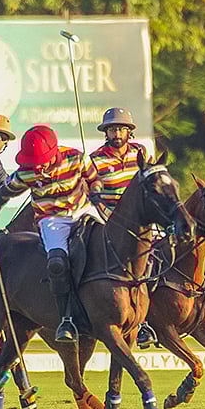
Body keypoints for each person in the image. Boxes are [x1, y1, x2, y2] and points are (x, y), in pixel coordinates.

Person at [0, 125, 103, 343]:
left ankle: (142, 318)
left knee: (117, 242)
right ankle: (66, 319)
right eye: (34, 162)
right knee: (57, 262)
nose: (39, 166)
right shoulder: (26, 171)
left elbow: (95, 179)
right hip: (52, 220)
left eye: (42, 161)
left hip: (83, 211)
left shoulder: (76, 158)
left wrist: (96, 192)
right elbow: (5, 191)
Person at [90, 107, 157, 348]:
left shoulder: (141, 153)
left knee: (156, 261)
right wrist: (108, 215)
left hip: (139, 223)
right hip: (109, 221)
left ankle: (144, 321)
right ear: (106, 133)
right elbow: (95, 193)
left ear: (129, 132)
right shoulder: (96, 158)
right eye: (112, 130)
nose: (117, 134)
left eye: (121, 129)